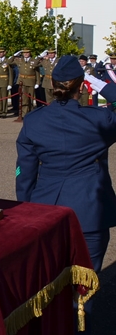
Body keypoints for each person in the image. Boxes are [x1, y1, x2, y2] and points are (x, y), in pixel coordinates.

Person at [16, 55, 116, 273]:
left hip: (47, 211)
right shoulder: (100, 119)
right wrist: (102, 85)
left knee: (50, 282)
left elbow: (24, 174)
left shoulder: (33, 121)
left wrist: (26, 212)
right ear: (81, 87)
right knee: (84, 287)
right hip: (90, 211)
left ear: (51, 84)